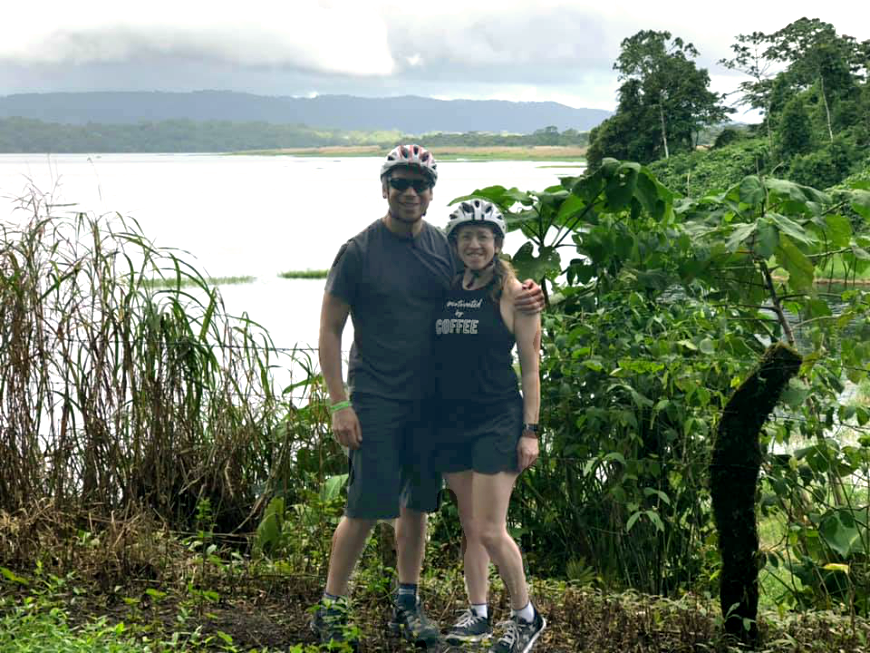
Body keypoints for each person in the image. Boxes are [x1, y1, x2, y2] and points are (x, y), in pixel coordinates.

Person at [313, 145, 543, 649]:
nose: (409, 192)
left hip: (431, 405)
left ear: (431, 193)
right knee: (366, 505)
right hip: (375, 396)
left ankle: (407, 603)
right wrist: (338, 402)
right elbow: (329, 330)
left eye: (419, 184)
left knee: (416, 506)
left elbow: (485, 272)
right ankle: (331, 607)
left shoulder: (443, 245)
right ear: (384, 188)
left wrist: (527, 292)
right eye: (400, 183)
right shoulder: (359, 250)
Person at [433, 199, 545, 653]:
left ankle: (526, 617)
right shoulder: (446, 285)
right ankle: (478, 612)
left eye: (483, 237)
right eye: (465, 237)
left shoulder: (515, 293)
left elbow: (532, 368)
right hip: (451, 420)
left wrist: (531, 431)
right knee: (469, 525)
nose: (474, 245)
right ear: (455, 244)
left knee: (490, 529)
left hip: (497, 419)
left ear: (497, 244)